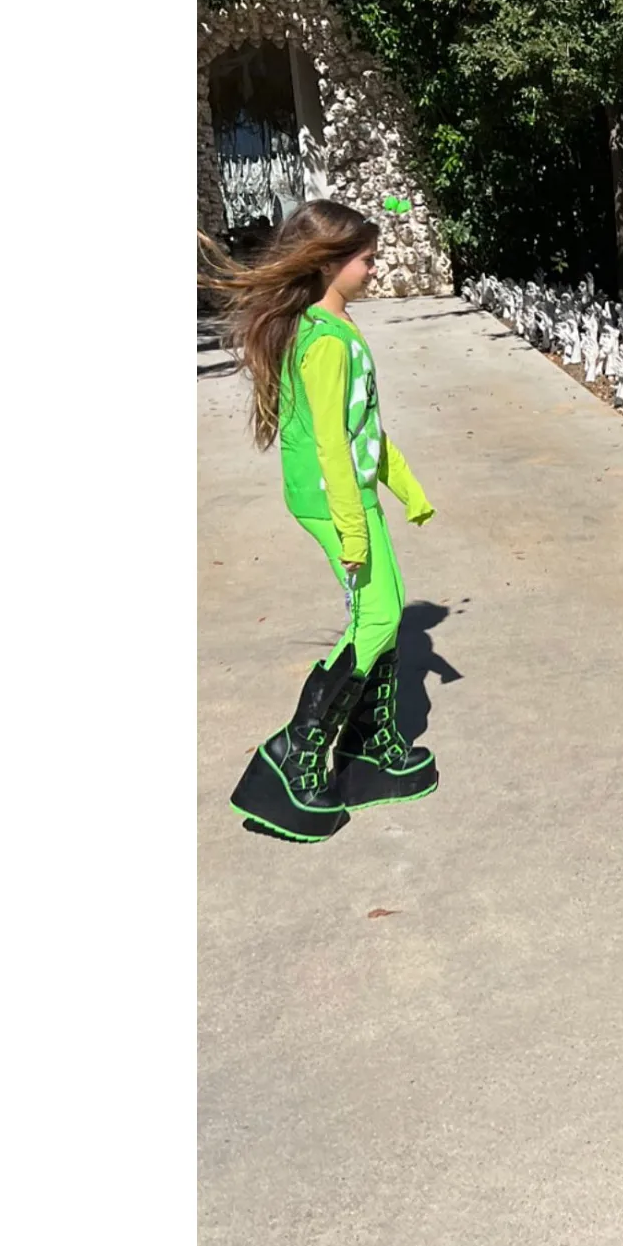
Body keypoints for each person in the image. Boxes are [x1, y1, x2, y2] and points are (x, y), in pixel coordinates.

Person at [202, 201, 440, 843]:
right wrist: (352, 525)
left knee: (384, 612)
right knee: (378, 617)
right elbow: (333, 442)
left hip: (349, 493)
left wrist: (408, 488)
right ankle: (293, 756)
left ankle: (368, 750)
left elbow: (366, 429)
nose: (374, 267)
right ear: (329, 263)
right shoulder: (325, 342)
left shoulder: (335, 327)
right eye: (366, 258)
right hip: (333, 498)